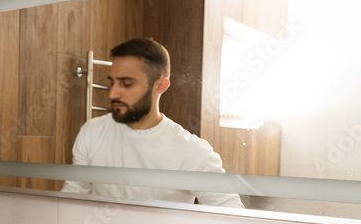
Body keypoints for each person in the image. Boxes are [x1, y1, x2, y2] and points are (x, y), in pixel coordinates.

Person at [61, 37, 243, 208]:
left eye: (126, 83)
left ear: (160, 86)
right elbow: (71, 201)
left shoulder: (192, 151)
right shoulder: (92, 132)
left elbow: (231, 212)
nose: (113, 94)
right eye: (112, 82)